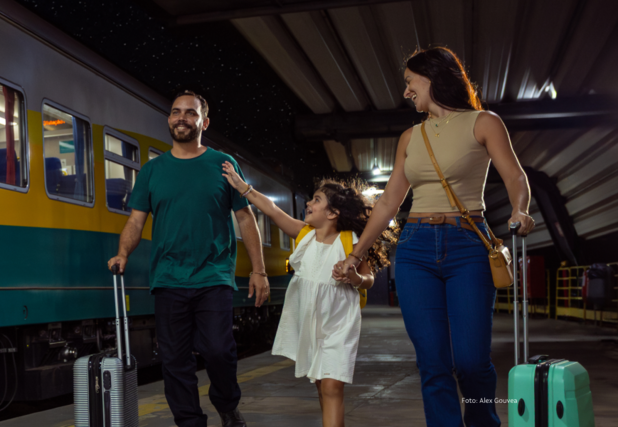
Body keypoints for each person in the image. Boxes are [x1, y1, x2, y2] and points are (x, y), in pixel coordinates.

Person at [339, 47, 535, 427]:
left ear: (432, 77)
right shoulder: (410, 137)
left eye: (410, 82)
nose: (406, 92)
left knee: (471, 361)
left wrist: (520, 209)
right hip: (414, 249)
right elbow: (388, 202)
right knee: (432, 362)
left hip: (468, 244)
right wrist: (356, 254)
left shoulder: (484, 122)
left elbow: (515, 176)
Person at [107, 90, 268, 427]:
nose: (182, 118)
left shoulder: (223, 164)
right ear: (169, 119)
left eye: (191, 113)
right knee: (174, 360)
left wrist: (259, 270)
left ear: (204, 122)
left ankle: (227, 405)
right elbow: (136, 221)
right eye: (176, 112)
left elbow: (244, 218)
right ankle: (190, 422)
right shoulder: (152, 171)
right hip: (168, 278)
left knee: (218, 350)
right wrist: (123, 252)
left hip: (213, 275)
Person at [221, 170, 392, 427]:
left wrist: (355, 277)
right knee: (322, 385)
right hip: (310, 322)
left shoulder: (351, 242)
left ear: (333, 213)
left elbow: (368, 279)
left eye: (316, 200)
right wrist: (244, 188)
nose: (309, 203)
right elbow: (272, 210)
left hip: (338, 324)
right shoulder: (304, 234)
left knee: (332, 387)